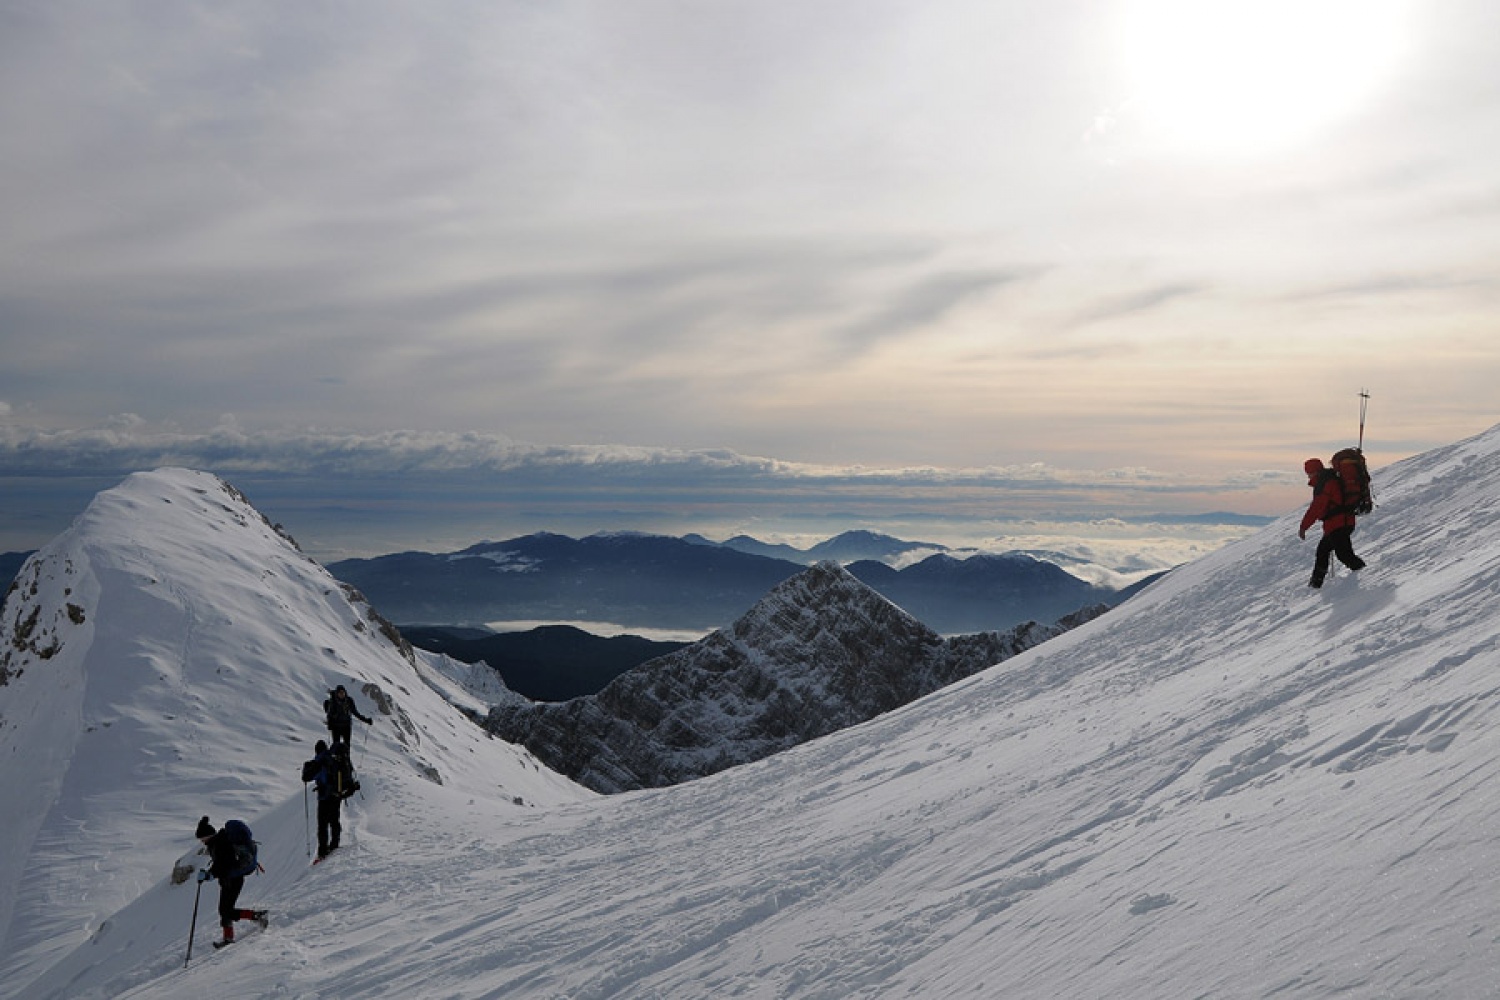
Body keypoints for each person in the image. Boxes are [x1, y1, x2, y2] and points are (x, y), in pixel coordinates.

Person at [195, 817, 267, 947]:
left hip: (234, 879)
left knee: (226, 910)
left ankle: (256, 916)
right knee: (224, 909)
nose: (201, 841)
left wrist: (209, 875)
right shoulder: (217, 843)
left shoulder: (220, 843)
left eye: (202, 838)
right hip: (229, 879)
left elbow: (224, 865)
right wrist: (209, 874)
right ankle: (229, 937)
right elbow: (219, 864)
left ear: (208, 836)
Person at [1299, 457, 1367, 588]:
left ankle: (1365, 574)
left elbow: (1317, 507)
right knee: (1323, 551)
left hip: (1338, 524)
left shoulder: (1325, 483)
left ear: (1314, 471)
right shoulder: (1329, 479)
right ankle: (1315, 585)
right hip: (1341, 523)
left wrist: (1303, 526)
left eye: (1309, 473)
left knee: (1344, 555)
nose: (1308, 476)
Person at [303, 739, 358, 859]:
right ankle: (335, 844)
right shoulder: (334, 759)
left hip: (325, 797)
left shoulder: (320, 761)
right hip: (337, 794)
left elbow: (307, 777)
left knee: (323, 824)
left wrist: (307, 767)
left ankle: (323, 851)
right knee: (334, 820)